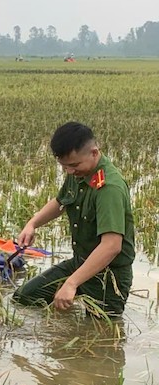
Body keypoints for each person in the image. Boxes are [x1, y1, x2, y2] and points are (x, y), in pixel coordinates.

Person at [13, 122, 134, 315]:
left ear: (94, 153)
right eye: (64, 166)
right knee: (25, 297)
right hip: (80, 263)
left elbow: (112, 246)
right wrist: (32, 224)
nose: (69, 171)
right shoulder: (79, 172)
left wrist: (71, 283)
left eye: (74, 165)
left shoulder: (109, 188)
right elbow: (62, 201)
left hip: (109, 278)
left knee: (100, 334)